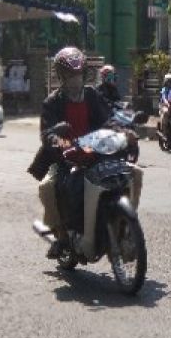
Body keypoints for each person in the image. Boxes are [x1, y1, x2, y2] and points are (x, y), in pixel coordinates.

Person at [32, 47, 142, 258]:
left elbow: (108, 120)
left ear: (84, 74)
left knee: (135, 173)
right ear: (62, 77)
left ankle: (127, 228)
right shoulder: (52, 102)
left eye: (78, 75)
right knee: (47, 187)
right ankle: (62, 236)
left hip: (96, 153)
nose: (75, 80)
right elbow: (47, 135)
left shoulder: (92, 95)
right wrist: (61, 142)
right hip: (65, 157)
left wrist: (124, 132)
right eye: (71, 75)